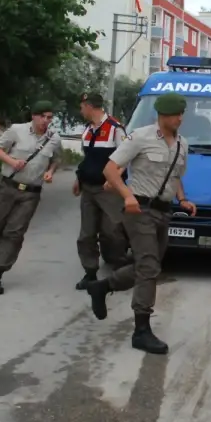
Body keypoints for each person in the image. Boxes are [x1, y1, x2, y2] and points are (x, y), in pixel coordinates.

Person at [84, 92, 194, 355]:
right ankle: (141, 331)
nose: (180, 119)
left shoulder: (182, 144)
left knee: (148, 266)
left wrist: (182, 199)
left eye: (182, 114)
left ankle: (103, 286)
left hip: (163, 212)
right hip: (139, 210)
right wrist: (127, 195)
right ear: (162, 115)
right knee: (149, 267)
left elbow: (175, 176)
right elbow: (110, 169)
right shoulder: (140, 137)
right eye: (175, 114)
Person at [0, 101, 62, 295]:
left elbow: (56, 159)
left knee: (15, 232)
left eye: (49, 117)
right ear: (34, 116)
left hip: (31, 193)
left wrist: (50, 171)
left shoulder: (54, 138)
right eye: (42, 116)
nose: (46, 121)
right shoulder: (16, 130)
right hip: (8, 187)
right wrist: (11, 161)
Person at [73, 93, 130, 290]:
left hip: (108, 190)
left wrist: (114, 178)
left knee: (112, 231)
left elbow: (126, 157)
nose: (81, 110)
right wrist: (78, 178)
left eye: (82, 106)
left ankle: (121, 270)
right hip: (88, 188)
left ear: (89, 106)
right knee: (86, 234)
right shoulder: (88, 130)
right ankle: (90, 273)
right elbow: (88, 159)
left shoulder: (115, 128)